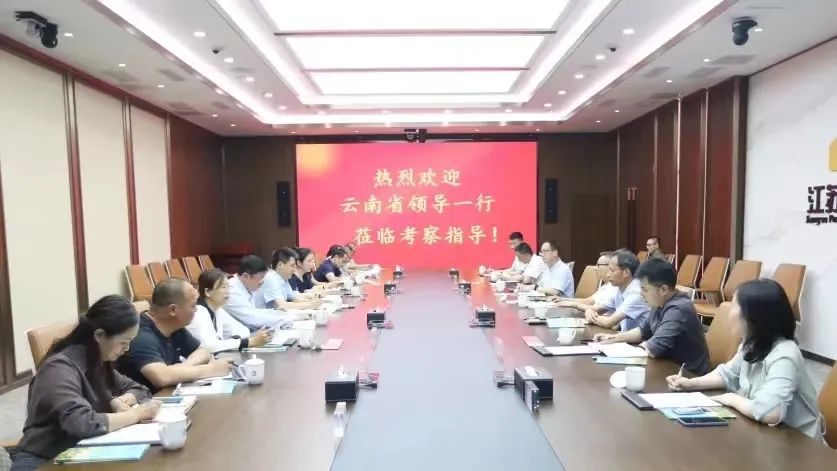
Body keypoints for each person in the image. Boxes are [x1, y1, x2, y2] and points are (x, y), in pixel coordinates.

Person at [11, 296, 161, 469]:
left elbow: (139, 389)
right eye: (123, 342)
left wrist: (119, 401)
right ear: (99, 335)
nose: (126, 349)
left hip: (82, 452)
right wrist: (135, 415)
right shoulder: (58, 368)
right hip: (44, 460)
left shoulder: (96, 361)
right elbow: (81, 423)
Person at [666, 279, 823, 440]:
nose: (730, 312)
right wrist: (691, 384)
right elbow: (728, 374)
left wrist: (730, 399)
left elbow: (770, 412)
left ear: (755, 316)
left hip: (797, 441)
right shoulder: (752, 342)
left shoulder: (785, 354)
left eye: (735, 305)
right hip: (765, 434)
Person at [594, 258, 710, 375]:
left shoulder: (678, 309)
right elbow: (642, 331)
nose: (641, 294)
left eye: (644, 290)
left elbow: (652, 349)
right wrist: (613, 338)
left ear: (663, 289)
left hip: (687, 374)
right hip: (666, 367)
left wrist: (623, 352)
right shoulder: (659, 301)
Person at [117, 278, 233, 392]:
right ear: (173, 310)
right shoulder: (142, 336)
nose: (196, 310)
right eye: (193, 305)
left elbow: (202, 351)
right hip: (148, 398)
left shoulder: (174, 327)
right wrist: (211, 369)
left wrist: (184, 367)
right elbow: (161, 377)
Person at [186, 268, 272, 353]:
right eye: (223, 287)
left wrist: (231, 341)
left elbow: (243, 331)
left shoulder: (218, 309)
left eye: (228, 287)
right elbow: (209, 346)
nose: (227, 291)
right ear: (207, 292)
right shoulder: (198, 312)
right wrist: (250, 341)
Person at [584, 249, 650, 331]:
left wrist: (592, 317)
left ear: (626, 272)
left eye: (612, 271)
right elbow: (594, 309)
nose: (608, 275)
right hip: (625, 336)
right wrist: (589, 311)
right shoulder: (619, 288)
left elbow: (608, 322)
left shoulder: (638, 292)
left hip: (640, 338)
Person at [225, 255, 295, 330]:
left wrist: (275, 312)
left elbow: (255, 312)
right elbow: (251, 319)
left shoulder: (245, 286)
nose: (262, 281)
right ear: (246, 276)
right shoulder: (232, 291)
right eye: (261, 277)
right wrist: (283, 319)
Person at [256, 248, 322, 310]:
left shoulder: (283, 277)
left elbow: (294, 298)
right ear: (280, 265)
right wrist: (310, 305)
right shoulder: (271, 278)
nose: (294, 269)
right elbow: (282, 305)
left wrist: (313, 300)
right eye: (292, 265)